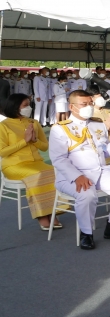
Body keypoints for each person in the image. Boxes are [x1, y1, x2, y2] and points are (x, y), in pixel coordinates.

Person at [49, 90, 110, 250]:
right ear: (72, 107)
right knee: (87, 194)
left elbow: (102, 151)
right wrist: (77, 176)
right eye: (84, 104)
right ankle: (86, 233)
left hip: (99, 171)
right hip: (71, 176)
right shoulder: (60, 128)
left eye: (90, 103)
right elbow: (58, 159)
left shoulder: (97, 124)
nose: (89, 107)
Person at [0, 94, 62, 230]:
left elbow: (44, 147)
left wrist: (34, 141)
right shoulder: (4, 126)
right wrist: (24, 141)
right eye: (25, 105)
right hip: (13, 165)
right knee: (37, 174)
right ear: (15, 107)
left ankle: (52, 212)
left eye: (29, 104)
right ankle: (42, 215)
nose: (28, 108)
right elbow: (2, 152)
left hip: (35, 162)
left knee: (54, 171)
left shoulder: (34, 123)